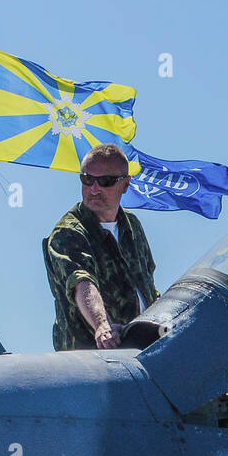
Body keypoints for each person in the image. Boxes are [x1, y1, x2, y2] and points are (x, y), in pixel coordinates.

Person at [45, 144, 159, 350]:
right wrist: (102, 325)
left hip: (140, 354)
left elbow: (147, 286)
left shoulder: (132, 226)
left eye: (105, 181)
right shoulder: (68, 232)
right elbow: (81, 282)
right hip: (91, 363)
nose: (94, 189)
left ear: (125, 184)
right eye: (87, 179)